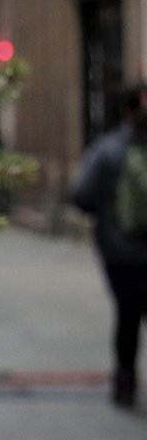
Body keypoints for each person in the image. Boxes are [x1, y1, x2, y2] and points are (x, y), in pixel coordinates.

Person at [71, 85, 147, 408]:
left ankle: (125, 383)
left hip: (120, 252)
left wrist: (108, 213)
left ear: (125, 111)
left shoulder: (107, 149)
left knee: (128, 318)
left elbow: (80, 195)